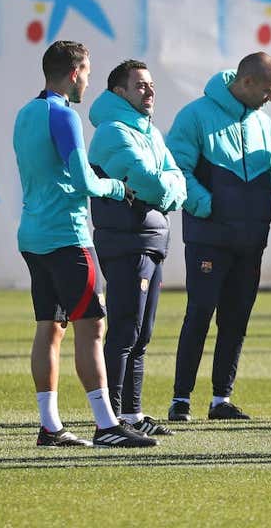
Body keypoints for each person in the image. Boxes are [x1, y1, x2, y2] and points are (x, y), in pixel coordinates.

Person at [13, 41, 156, 448]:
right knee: (93, 328)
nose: (88, 83)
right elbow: (83, 182)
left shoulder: (25, 113)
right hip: (68, 236)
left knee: (49, 328)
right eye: (88, 74)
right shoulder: (64, 115)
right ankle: (107, 424)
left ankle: (50, 426)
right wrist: (116, 187)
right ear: (75, 73)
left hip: (33, 235)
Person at [166, 52, 271, 422]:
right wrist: (206, 205)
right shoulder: (195, 115)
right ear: (246, 83)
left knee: (236, 319)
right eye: (268, 90)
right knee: (199, 313)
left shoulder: (263, 122)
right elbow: (176, 167)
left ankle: (221, 400)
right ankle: (181, 399)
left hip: (251, 240)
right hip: (209, 236)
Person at [87, 59, 186, 437]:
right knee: (125, 331)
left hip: (151, 240)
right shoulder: (113, 131)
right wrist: (164, 189)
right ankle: (110, 421)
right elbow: (150, 182)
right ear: (120, 92)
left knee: (141, 335)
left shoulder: (150, 132)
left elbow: (178, 181)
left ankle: (132, 415)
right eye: (140, 85)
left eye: (151, 85)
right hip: (127, 242)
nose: (150, 91)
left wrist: (166, 188)